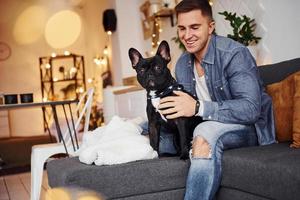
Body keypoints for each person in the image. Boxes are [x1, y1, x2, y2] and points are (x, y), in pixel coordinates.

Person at [157, 0, 276, 199]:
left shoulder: (234, 54)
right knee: (153, 130)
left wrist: (197, 107)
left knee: (204, 132)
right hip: (207, 123)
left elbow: (251, 109)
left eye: (195, 27)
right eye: (182, 29)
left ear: (211, 26)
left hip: (249, 128)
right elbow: (184, 111)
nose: (187, 36)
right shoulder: (182, 63)